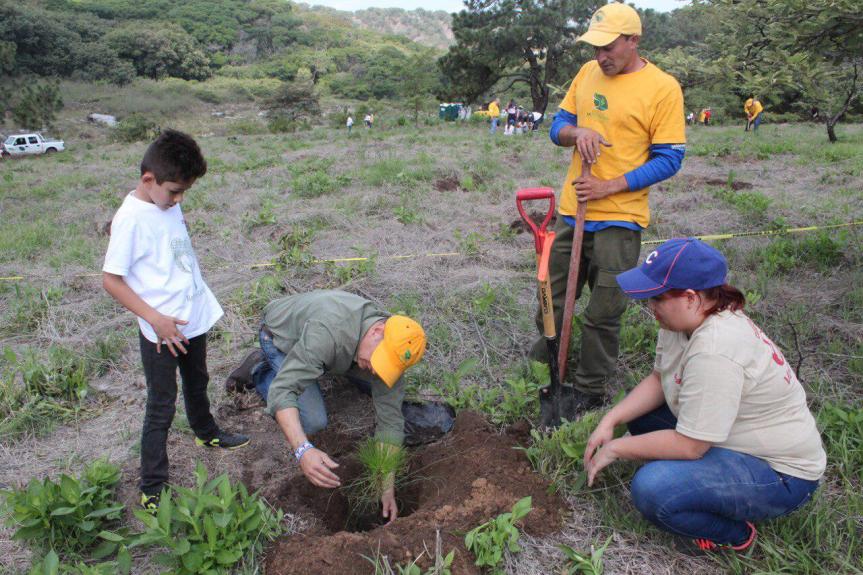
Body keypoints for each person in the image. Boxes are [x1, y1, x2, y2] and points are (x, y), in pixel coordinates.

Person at [583, 238, 825, 552]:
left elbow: (691, 445)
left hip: (780, 473)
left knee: (654, 489)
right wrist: (611, 419)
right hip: (731, 437)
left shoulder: (716, 349)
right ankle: (699, 479)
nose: (649, 307)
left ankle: (734, 535)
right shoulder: (683, 321)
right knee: (640, 417)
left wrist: (617, 448)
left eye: (656, 297)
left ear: (691, 298)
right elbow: (660, 379)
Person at [532, 2, 686, 413]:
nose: (601, 56)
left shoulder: (662, 87)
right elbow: (556, 128)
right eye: (596, 48)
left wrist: (609, 186)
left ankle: (589, 388)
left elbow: (670, 158)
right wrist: (576, 130)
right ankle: (544, 367)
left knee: (604, 308)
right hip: (572, 210)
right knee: (554, 296)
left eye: (609, 47)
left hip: (620, 218)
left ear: (633, 41)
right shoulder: (586, 74)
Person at [102, 130, 249, 511]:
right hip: (160, 332)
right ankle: (152, 487)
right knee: (162, 404)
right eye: (174, 191)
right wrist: (155, 319)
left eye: (185, 192)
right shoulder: (130, 219)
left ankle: (206, 432)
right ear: (148, 179)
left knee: (198, 379)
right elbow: (111, 280)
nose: (179, 199)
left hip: (191, 317)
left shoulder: (167, 203)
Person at [239, 290, 426, 524]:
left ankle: (314, 365)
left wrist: (385, 484)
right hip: (280, 335)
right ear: (377, 331)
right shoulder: (328, 332)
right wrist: (302, 450)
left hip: (326, 345)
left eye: (387, 365)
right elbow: (283, 391)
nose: (378, 370)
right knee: (314, 421)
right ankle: (262, 370)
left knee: (371, 378)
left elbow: (391, 422)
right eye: (381, 361)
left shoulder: (390, 344)